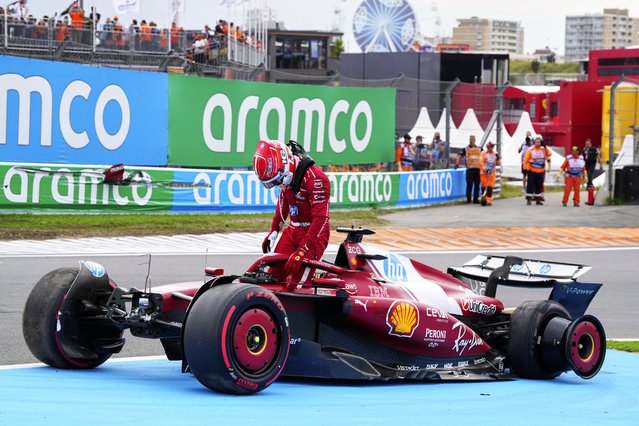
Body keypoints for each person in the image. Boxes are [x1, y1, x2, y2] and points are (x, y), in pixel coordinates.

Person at [253, 140, 330, 286]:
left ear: (286, 166)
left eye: (277, 181)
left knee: (296, 286)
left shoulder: (316, 179)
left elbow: (321, 219)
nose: (277, 185)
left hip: (314, 235)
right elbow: (282, 205)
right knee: (270, 277)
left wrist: (302, 250)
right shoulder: (285, 177)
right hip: (292, 231)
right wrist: (274, 231)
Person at [523, 134, 552, 205]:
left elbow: (549, 154)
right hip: (532, 170)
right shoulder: (530, 149)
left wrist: (545, 147)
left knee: (539, 185)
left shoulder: (543, 149)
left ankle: (538, 199)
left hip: (541, 170)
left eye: (539, 142)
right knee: (530, 185)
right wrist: (525, 168)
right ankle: (529, 199)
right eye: (536, 141)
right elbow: (525, 159)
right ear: (534, 141)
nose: (537, 143)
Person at [457, 135, 482, 203]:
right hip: (469, 169)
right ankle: (468, 199)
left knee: (477, 184)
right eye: (470, 139)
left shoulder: (479, 148)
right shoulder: (466, 148)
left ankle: (475, 199)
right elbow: (460, 156)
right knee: (469, 184)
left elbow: (483, 156)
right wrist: (457, 164)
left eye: (472, 139)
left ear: (474, 140)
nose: (470, 141)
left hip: (477, 169)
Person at [480, 141, 500, 206]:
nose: (492, 147)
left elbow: (498, 163)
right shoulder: (483, 153)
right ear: (488, 146)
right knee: (484, 186)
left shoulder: (495, 154)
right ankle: (484, 199)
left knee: (490, 187)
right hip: (484, 173)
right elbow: (481, 163)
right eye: (491, 146)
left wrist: (498, 158)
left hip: (492, 174)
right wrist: (486, 169)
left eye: (493, 146)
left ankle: (489, 200)